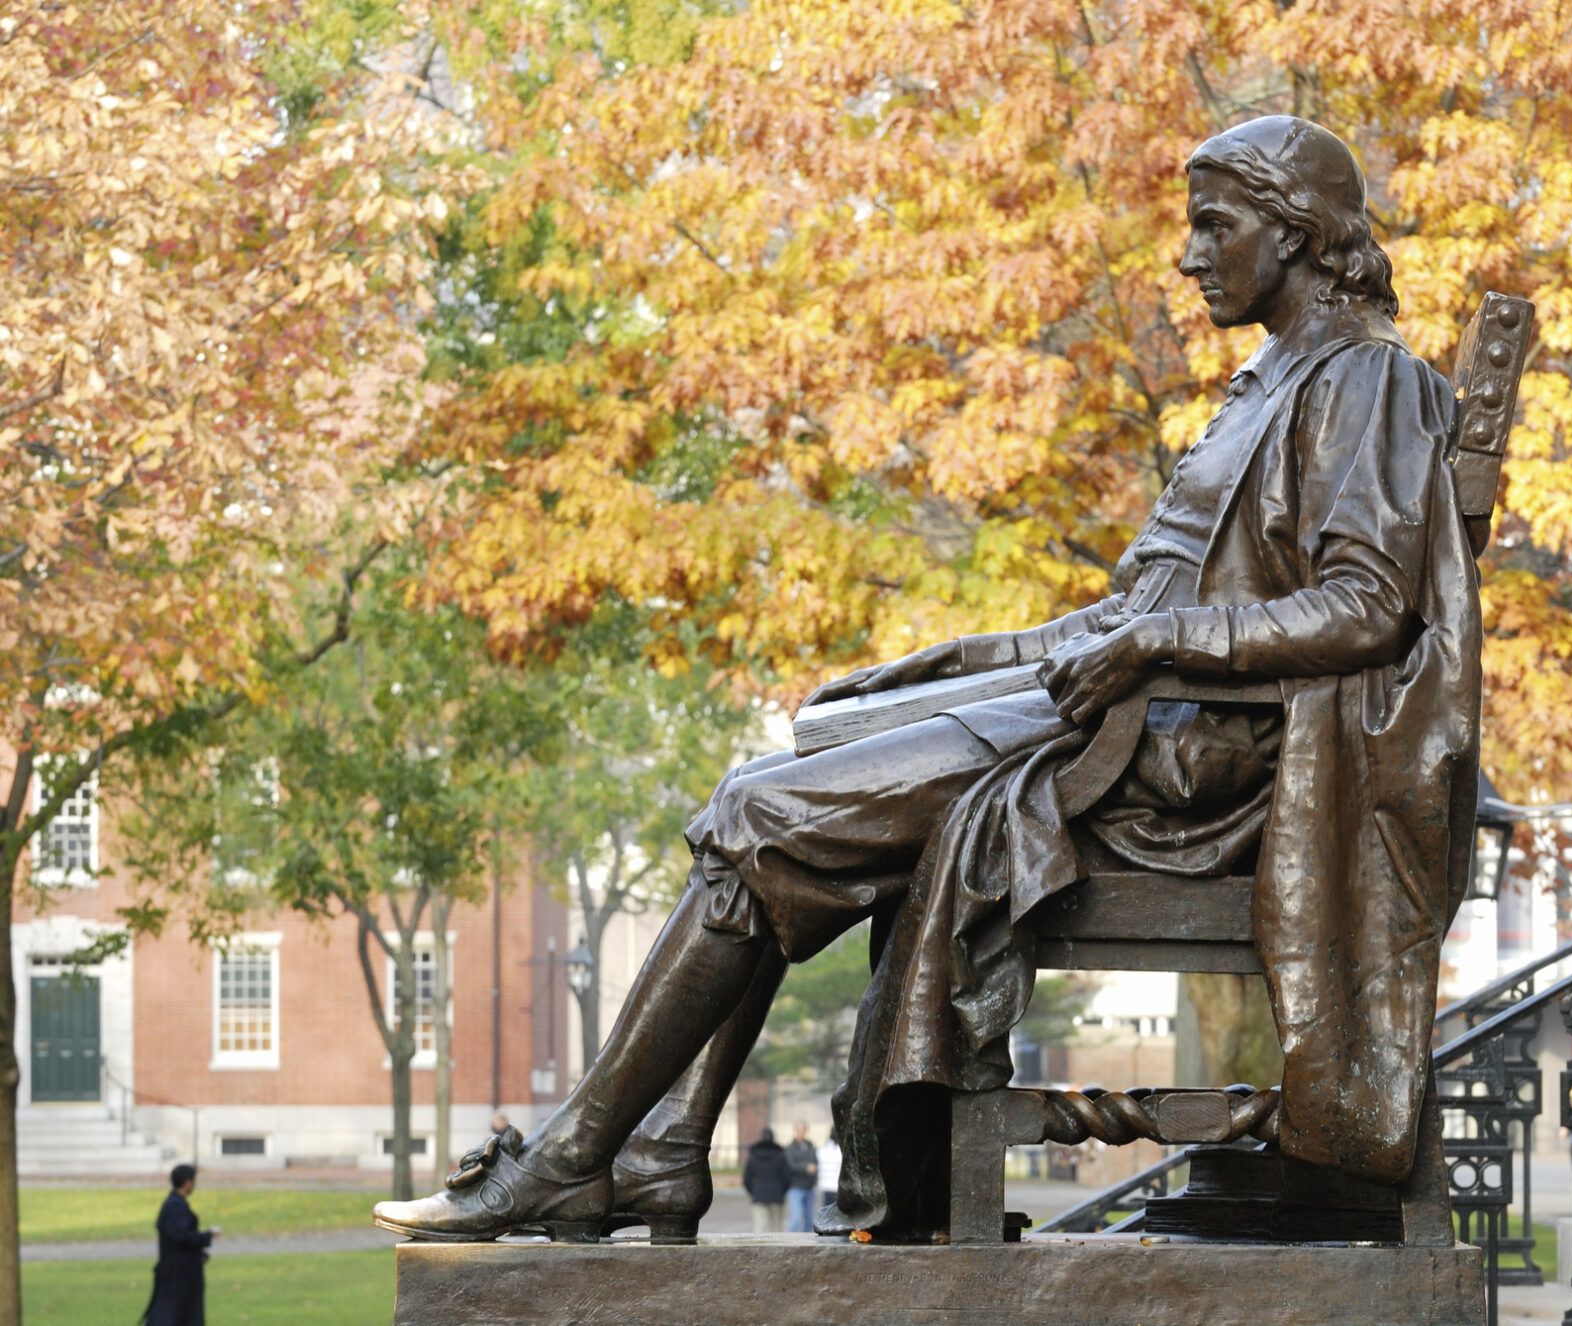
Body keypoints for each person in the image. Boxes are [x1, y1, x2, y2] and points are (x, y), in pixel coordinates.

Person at [376, 114, 1480, 1245]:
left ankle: (580, 1157)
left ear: (1294, 233)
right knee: (767, 777)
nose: (1189, 256)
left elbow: (1366, 608)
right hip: (1134, 721)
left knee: (759, 813)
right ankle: (655, 1150)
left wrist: (1153, 648)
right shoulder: (1271, 382)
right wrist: (956, 659)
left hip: (1190, 768)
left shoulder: (1366, 384)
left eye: (1213, 225)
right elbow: (1134, 611)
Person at [142, 1164, 217, 1326]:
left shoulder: (176, 1204)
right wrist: (206, 1236)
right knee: (173, 1313)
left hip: (181, 1271)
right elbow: (181, 1236)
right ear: (186, 1182)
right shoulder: (174, 1206)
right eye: (193, 1180)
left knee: (180, 1312)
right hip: (178, 1274)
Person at [740, 1127, 791, 1234]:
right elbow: (787, 1178)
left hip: (759, 1195)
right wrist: (782, 1192)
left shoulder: (753, 1156)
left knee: (760, 1229)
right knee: (777, 1228)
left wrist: (753, 1192)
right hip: (777, 1195)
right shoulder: (780, 1156)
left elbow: (746, 1179)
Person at [783, 1121, 819, 1232]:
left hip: (809, 1188)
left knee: (809, 1220)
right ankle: (790, 1241)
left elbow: (815, 1162)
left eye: (803, 1130)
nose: (801, 1132)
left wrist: (814, 1177)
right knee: (796, 1218)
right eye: (799, 1130)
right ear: (796, 1131)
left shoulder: (810, 1146)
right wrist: (806, 1167)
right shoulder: (790, 1148)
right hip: (796, 1188)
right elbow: (791, 1165)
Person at [815, 1129, 843, 1212]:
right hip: (837, 1187)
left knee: (826, 1212)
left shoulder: (821, 1150)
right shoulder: (841, 1151)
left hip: (825, 1186)